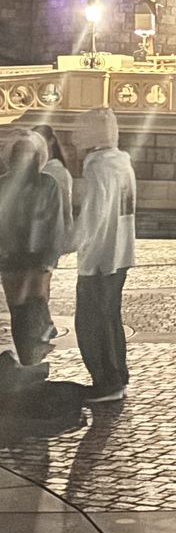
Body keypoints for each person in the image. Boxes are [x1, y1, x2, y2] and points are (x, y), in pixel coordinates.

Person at [73, 106, 136, 404]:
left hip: (99, 259)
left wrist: (68, 244)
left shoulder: (97, 166)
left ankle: (106, 382)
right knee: (110, 318)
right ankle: (117, 376)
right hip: (119, 253)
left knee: (90, 322)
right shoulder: (121, 163)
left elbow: (93, 216)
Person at [0, 131, 64, 365]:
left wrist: (49, 260)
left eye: (28, 152)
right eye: (19, 152)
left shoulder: (48, 185)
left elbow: (56, 224)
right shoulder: (2, 184)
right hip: (11, 259)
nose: (23, 157)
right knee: (18, 313)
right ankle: (27, 363)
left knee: (35, 310)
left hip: (38, 260)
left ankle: (35, 362)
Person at [34, 124, 75, 340]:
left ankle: (44, 323)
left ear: (50, 142)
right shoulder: (45, 170)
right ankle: (43, 322)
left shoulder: (55, 172)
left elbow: (62, 209)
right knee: (39, 282)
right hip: (42, 235)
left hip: (48, 235)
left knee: (41, 283)